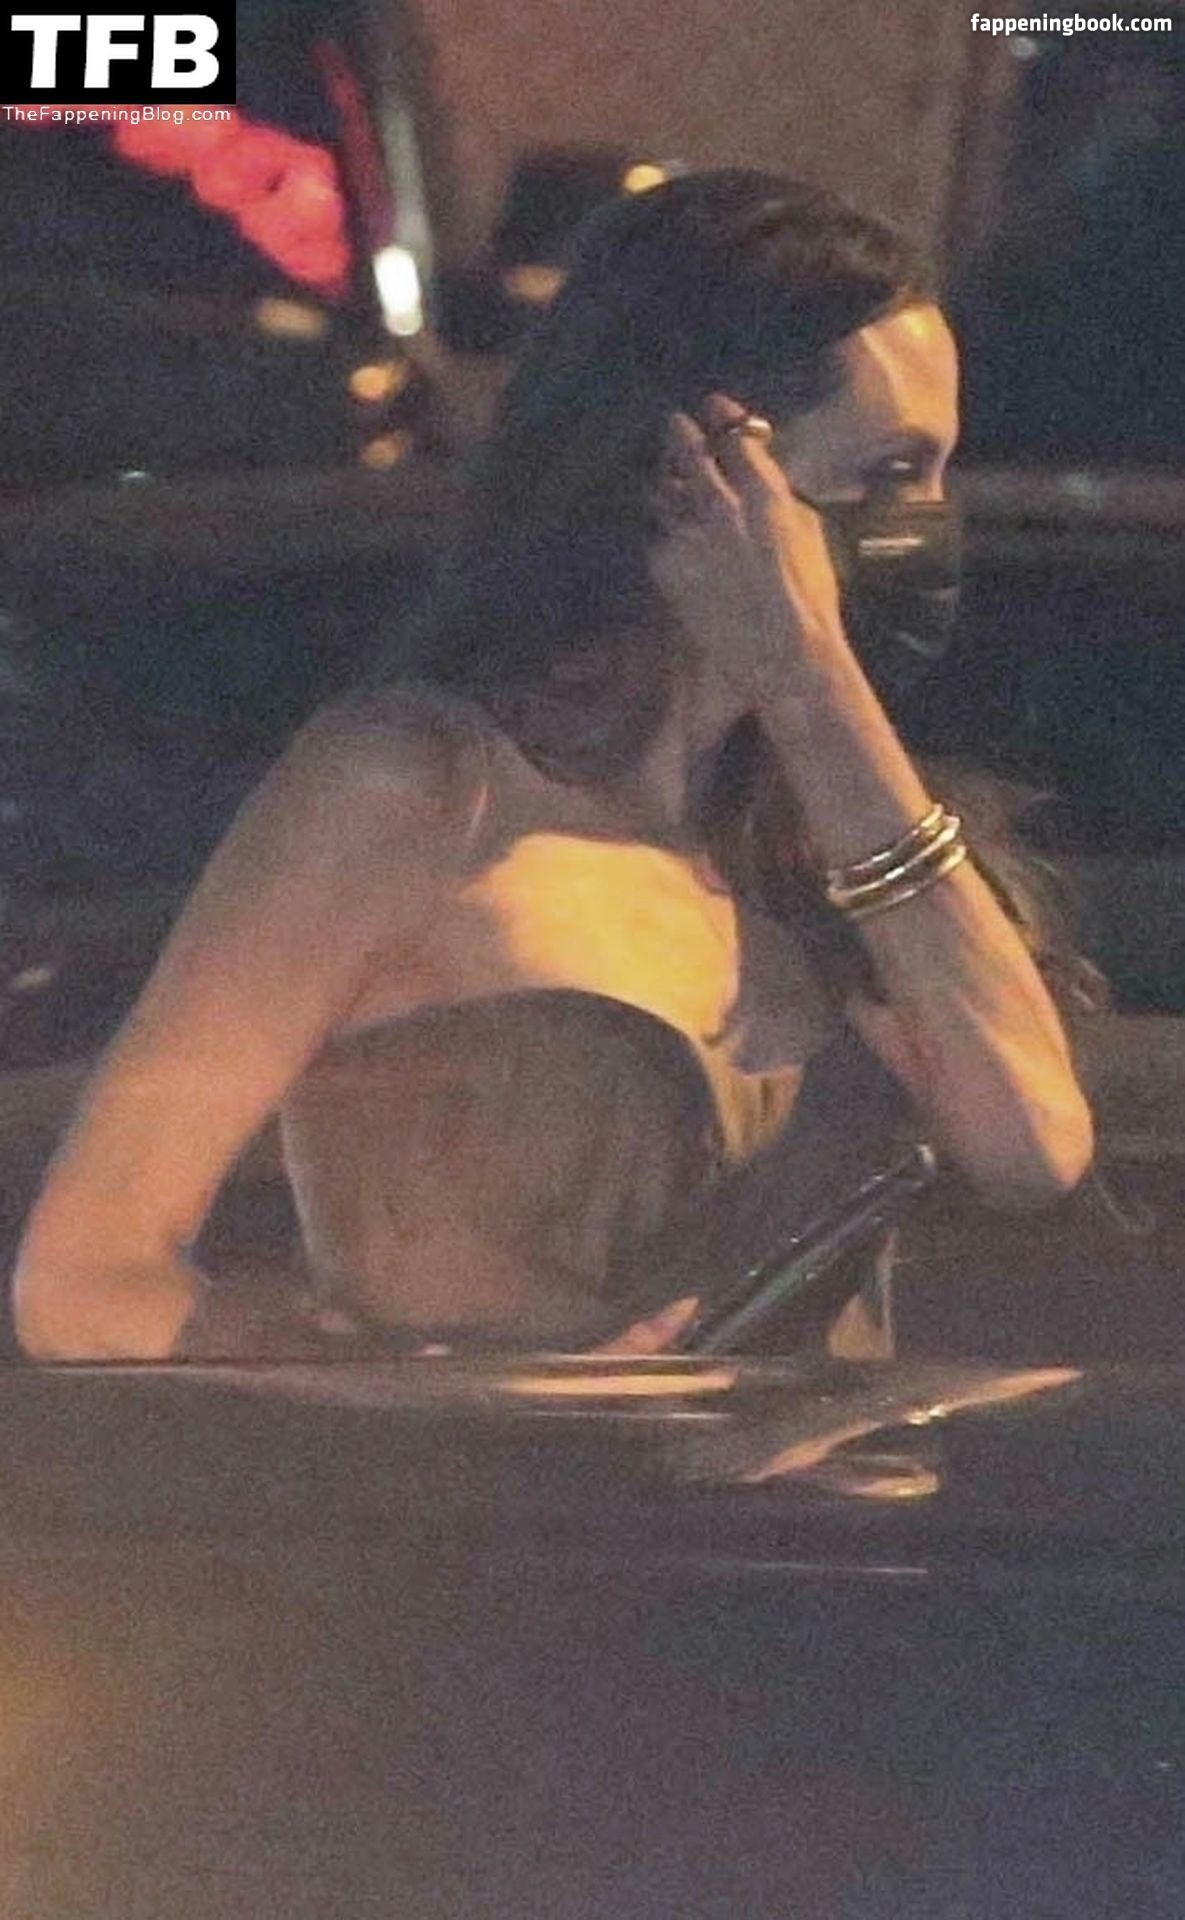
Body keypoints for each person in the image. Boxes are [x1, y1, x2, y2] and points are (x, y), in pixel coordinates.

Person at [12, 172, 1094, 1364]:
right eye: (888, 473)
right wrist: (426, 1390)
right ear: (701, 472)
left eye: (939, 473)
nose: (928, 522)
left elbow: (1031, 1145)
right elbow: (83, 1280)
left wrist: (811, 691)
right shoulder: (418, 788)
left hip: (842, 1492)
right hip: (523, 1487)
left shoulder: (818, 821)